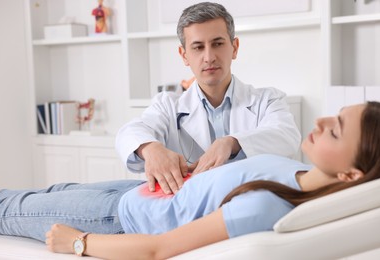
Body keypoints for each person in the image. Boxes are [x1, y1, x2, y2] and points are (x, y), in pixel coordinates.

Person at [0, 101, 380, 259]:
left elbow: (159, 249)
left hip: (119, 220)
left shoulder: (267, 206)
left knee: (4, 210)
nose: (320, 121)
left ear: (350, 174)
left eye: (335, 131)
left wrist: (79, 242)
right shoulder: (292, 171)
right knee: (45, 193)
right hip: (139, 191)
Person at [115, 2, 301, 195]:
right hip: (189, 206)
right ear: (184, 55)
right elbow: (129, 132)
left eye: (217, 44)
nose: (209, 57)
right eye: (198, 47)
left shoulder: (267, 99)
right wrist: (150, 148)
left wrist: (231, 143)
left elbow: (287, 136)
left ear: (234, 47)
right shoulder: (167, 105)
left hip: (246, 202)